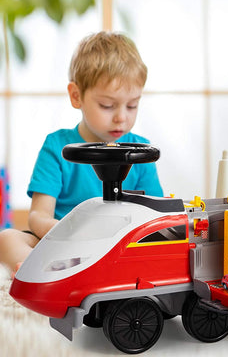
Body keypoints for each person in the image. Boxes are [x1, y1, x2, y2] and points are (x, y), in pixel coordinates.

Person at [0, 31, 163, 275]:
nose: (121, 116)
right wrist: (67, 233)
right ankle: (49, 273)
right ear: (76, 96)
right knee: (7, 239)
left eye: (132, 105)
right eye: (107, 105)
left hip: (116, 247)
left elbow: (157, 216)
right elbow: (38, 215)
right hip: (61, 246)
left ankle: (50, 275)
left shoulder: (142, 151)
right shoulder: (56, 146)